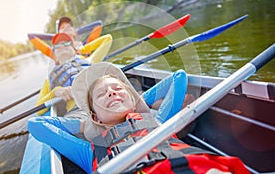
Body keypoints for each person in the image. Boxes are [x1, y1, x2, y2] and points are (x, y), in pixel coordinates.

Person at [28, 62, 249, 174]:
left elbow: (178, 77)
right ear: (95, 115)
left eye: (116, 89)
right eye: (102, 95)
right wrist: (84, 123)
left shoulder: (159, 121)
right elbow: (36, 124)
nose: (112, 93)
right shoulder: (88, 151)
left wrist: (136, 102)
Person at [35, 24, 112, 115]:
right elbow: (38, 110)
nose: (62, 46)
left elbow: (107, 39)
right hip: (79, 112)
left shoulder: (89, 60)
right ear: (54, 54)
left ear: (74, 49)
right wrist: (55, 93)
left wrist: (82, 49)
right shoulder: (49, 81)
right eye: (57, 45)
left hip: (104, 97)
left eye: (67, 43)